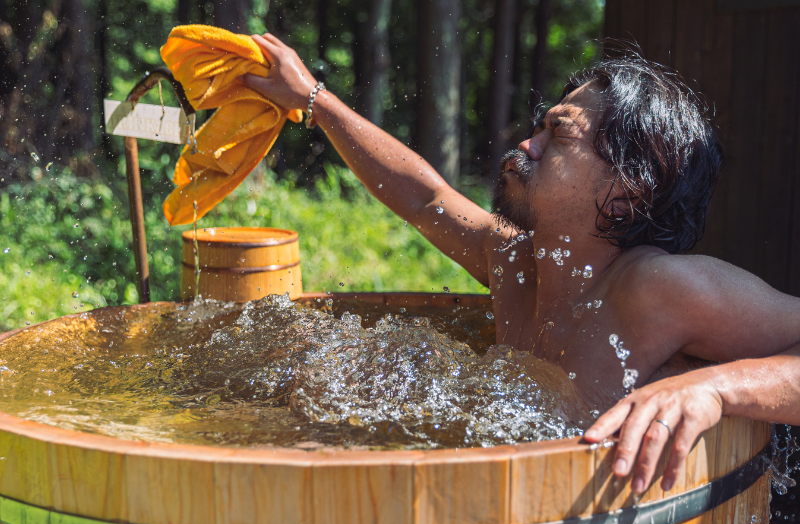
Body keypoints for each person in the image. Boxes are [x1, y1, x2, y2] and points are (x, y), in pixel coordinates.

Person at [241, 33, 800, 495]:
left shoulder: (657, 289)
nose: (525, 146)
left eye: (557, 134)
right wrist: (312, 99)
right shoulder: (515, 261)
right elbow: (426, 199)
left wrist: (714, 388)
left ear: (627, 188)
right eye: (538, 128)